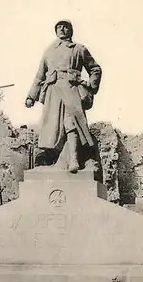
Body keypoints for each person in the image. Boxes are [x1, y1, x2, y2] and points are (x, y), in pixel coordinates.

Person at [25, 19, 102, 173]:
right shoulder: (49, 51)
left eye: (65, 27)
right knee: (53, 127)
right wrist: (31, 96)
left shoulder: (79, 49)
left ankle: (74, 160)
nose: (62, 29)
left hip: (71, 89)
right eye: (59, 27)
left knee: (71, 122)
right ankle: (54, 159)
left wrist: (90, 85)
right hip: (53, 92)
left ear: (70, 30)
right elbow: (39, 75)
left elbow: (95, 69)